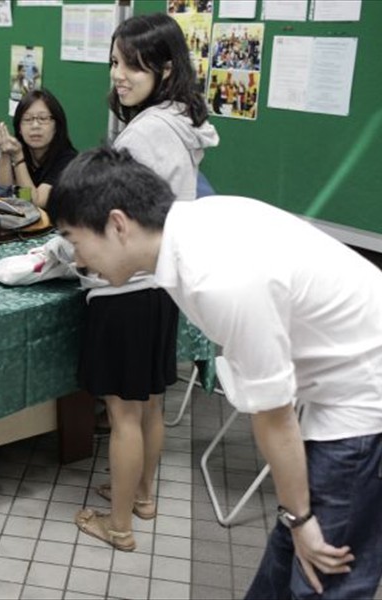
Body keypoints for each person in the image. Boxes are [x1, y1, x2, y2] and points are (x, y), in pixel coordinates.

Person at [47, 146, 382, 599]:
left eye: (75, 241)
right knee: (293, 541)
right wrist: (296, 516)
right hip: (336, 383)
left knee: (324, 574)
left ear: (118, 224)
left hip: (364, 399)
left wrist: (301, 517)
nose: (79, 260)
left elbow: (274, 415)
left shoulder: (216, 277)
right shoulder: (193, 228)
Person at [70, 12, 218, 552]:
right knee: (150, 402)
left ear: (164, 67)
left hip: (125, 287)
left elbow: (110, 219)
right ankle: (142, 496)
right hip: (162, 286)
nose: (118, 75)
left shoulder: (146, 132)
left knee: (123, 414)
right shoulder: (180, 123)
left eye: (132, 65)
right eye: (114, 62)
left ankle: (118, 526)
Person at [0, 89, 77, 208]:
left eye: (43, 118)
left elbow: (36, 203)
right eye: (27, 119)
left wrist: (18, 159)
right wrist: (4, 151)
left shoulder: (69, 161)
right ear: (19, 128)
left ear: (57, 126)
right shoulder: (22, 151)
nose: (35, 126)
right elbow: (5, 195)